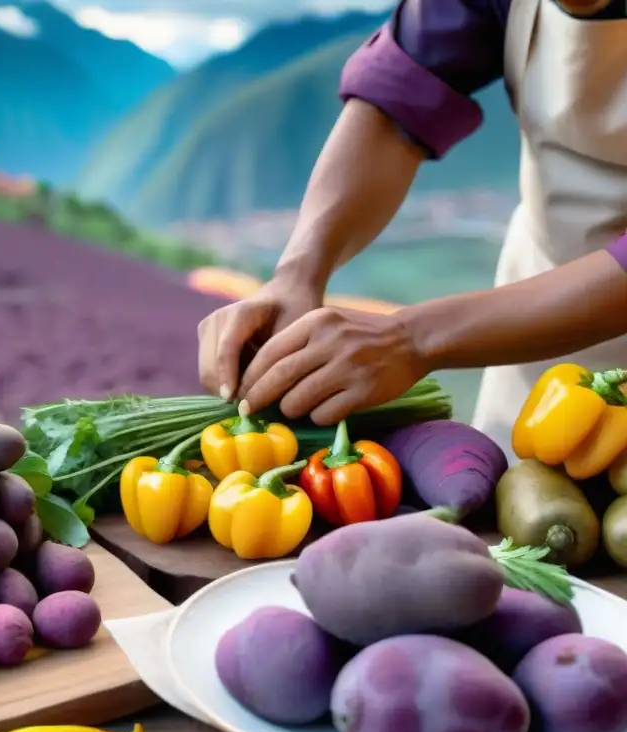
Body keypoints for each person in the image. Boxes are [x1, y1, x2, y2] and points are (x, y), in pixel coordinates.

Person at [196, 0, 627, 459]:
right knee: (526, 507)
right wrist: (298, 273)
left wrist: (411, 339)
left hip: (562, 313)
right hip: (535, 329)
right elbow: (395, 101)